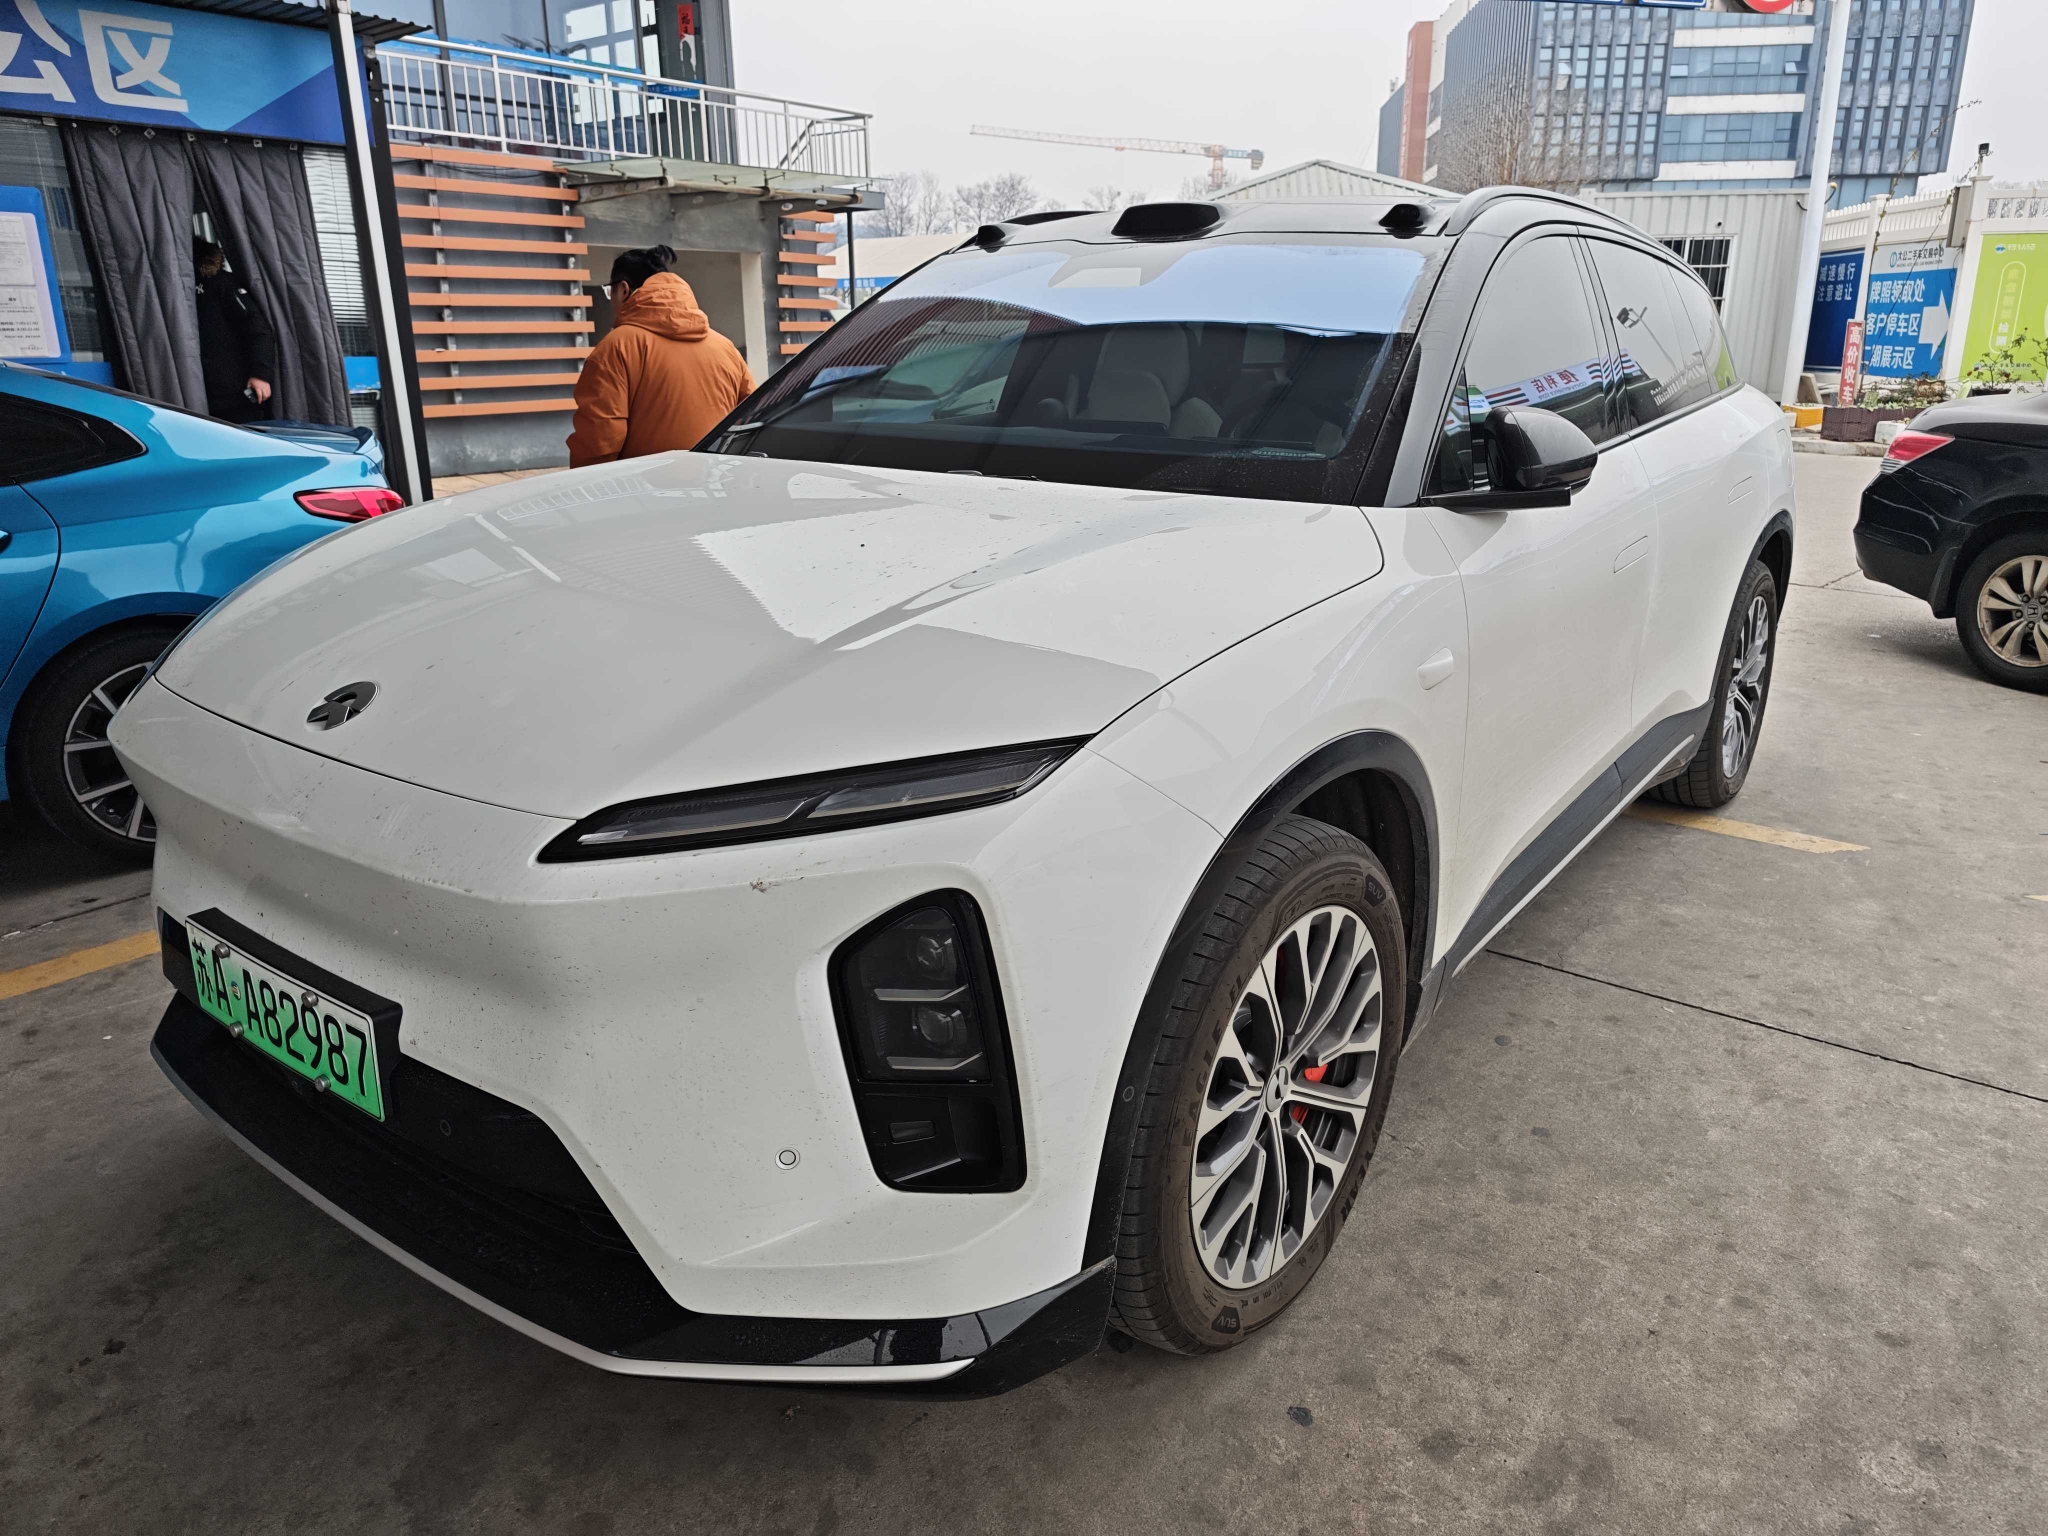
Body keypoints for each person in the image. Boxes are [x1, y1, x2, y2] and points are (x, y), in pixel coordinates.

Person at [567, 246, 755, 467]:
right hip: (713, 479)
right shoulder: (725, 347)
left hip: (645, 485)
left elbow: (599, 438)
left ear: (624, 289)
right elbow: (753, 415)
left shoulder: (616, 347)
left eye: (611, 292)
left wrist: (585, 483)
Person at [193, 239, 276, 423]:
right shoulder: (173, 291)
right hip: (200, 391)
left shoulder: (222, 283)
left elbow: (257, 329)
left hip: (233, 391)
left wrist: (260, 374)